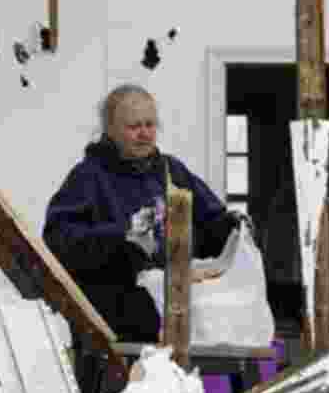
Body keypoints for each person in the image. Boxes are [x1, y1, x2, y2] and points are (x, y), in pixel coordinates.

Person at [44, 84, 242, 347]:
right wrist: (122, 239)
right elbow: (58, 239)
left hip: (178, 312)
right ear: (110, 129)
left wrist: (232, 226)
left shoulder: (173, 171)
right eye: (134, 126)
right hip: (117, 322)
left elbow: (212, 222)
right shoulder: (88, 177)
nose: (144, 134)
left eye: (150, 124)